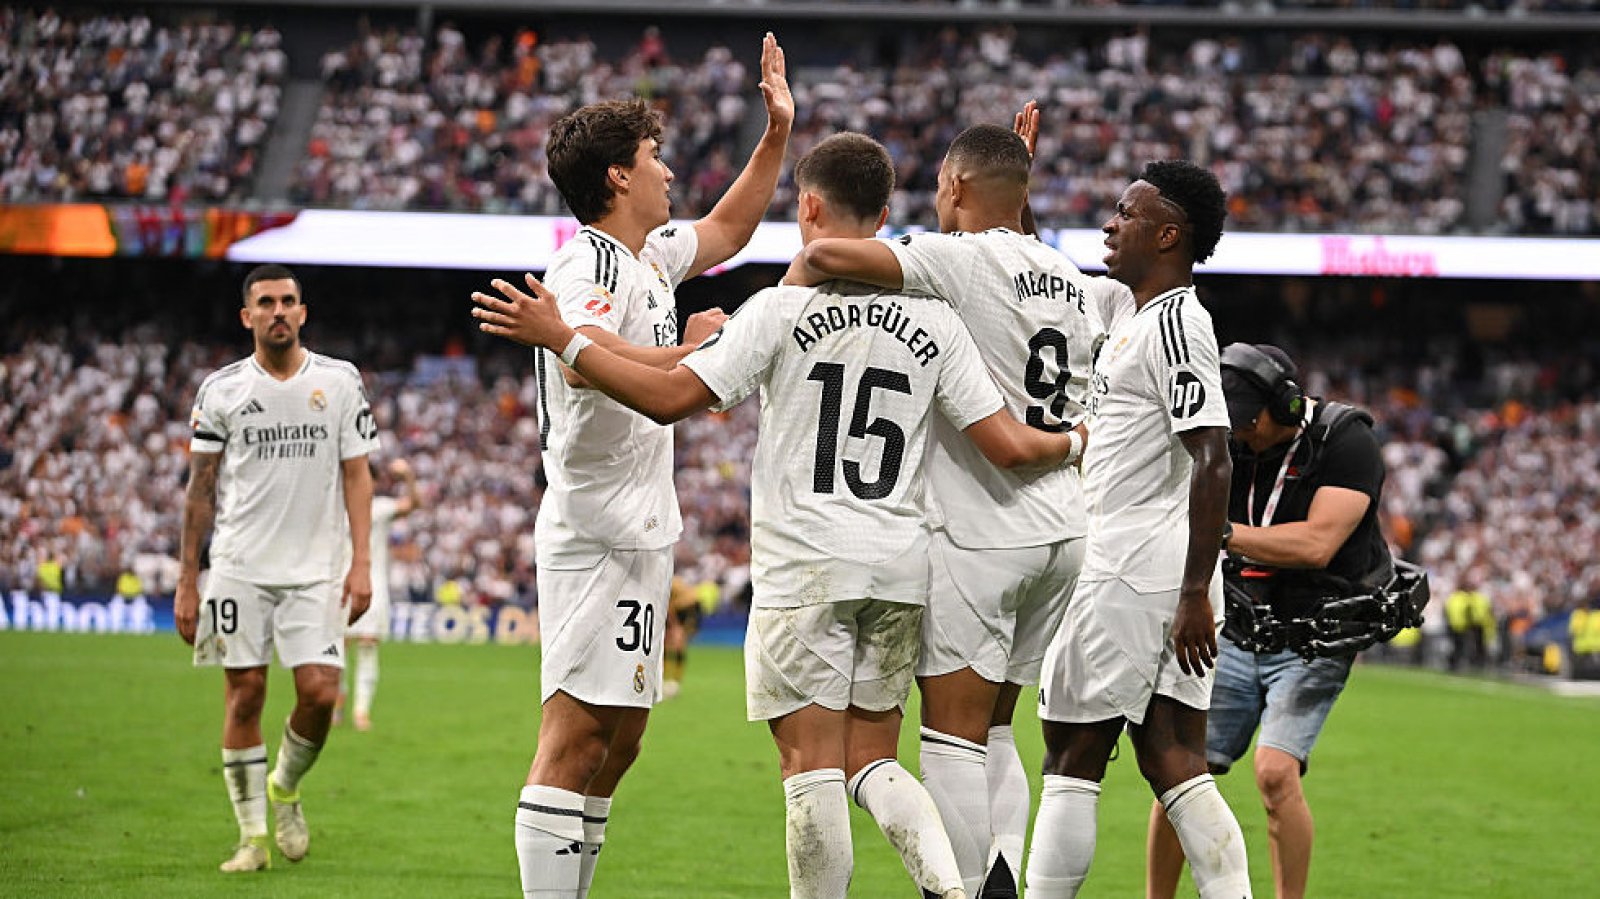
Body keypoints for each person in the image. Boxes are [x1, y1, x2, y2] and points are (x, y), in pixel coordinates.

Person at [474, 132, 1087, 899]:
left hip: (805, 567)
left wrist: (564, 340)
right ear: (885, 217)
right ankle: (960, 889)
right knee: (874, 758)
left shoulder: (777, 310)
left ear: (809, 208)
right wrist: (1078, 439)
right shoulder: (938, 323)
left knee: (810, 769)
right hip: (899, 566)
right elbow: (1006, 440)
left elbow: (669, 398)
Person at [786, 116, 1117, 897]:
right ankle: (1001, 875)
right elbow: (1014, 248)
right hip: (1062, 527)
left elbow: (828, 253)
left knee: (952, 736)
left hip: (982, 526)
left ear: (957, 185)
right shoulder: (1068, 275)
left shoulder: (956, 259)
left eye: (940, 184)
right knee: (999, 726)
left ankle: (970, 887)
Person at [502, 32, 793, 899]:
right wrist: (698, 353)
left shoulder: (649, 255)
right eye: (654, 155)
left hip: (639, 528)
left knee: (621, 739)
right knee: (573, 739)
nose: (668, 169)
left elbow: (731, 228)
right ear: (619, 177)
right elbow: (578, 355)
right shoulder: (587, 260)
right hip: (594, 529)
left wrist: (777, 132)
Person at [1024, 161, 1252, 899]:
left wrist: (1192, 592)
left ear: (1168, 235)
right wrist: (1015, 195)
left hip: (1132, 565)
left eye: (1126, 213)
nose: (1109, 224)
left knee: (1072, 754)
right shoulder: (1129, 309)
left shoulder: (1179, 321)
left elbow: (1213, 454)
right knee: (1173, 757)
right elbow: (1040, 273)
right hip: (1162, 569)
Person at [1146, 343, 1393, 899]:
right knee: (1176, 775)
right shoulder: (1229, 443)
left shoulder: (1346, 441)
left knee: (1276, 774)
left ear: (1285, 405)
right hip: (1237, 625)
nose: (1240, 433)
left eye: (1248, 420)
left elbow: (1317, 544)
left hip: (1314, 637)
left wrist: (1221, 531)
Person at [176, 262, 380, 873]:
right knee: (245, 696)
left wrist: (362, 562)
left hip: (318, 569)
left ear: (303, 312)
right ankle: (252, 839)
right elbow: (199, 490)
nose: (278, 311)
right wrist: (187, 579)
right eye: (265, 303)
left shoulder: (339, 381)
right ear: (248, 316)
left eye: (288, 301)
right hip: (238, 566)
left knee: (320, 693)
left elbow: (358, 475)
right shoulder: (221, 389)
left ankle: (285, 786)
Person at [341, 457, 422, 731]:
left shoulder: (381, 508)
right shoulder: (337, 508)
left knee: (368, 644)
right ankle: (337, 703)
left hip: (373, 585)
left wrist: (408, 476)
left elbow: (414, 504)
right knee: (339, 646)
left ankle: (361, 711)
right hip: (340, 584)